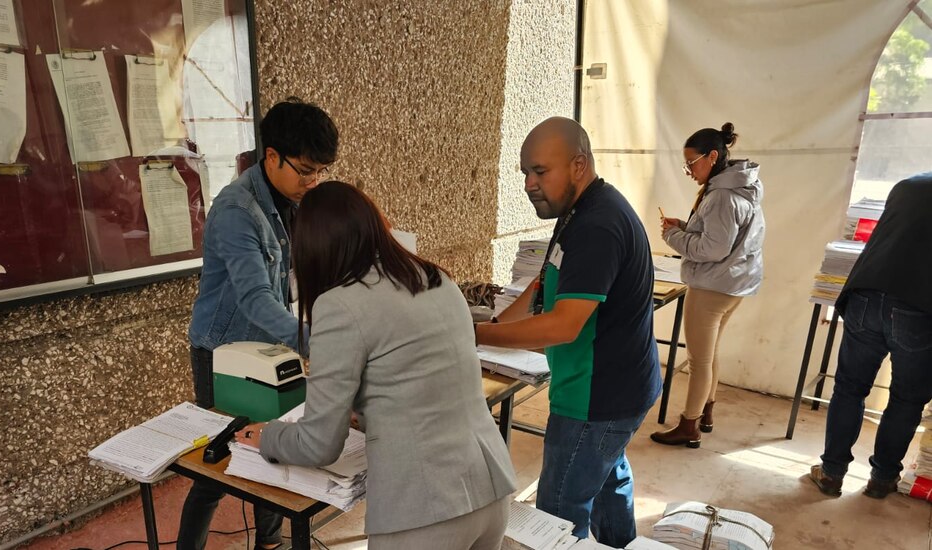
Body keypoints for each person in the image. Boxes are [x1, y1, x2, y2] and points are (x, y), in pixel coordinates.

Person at [234, 181, 517, 550]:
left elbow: (318, 445)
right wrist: (370, 412)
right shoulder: (435, 278)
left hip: (425, 509)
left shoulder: (339, 304)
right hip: (489, 489)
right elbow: (420, 381)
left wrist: (267, 436)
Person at [474, 117, 660, 547]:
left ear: (578, 165)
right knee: (607, 481)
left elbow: (562, 325)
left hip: (596, 398)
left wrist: (475, 337)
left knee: (558, 512)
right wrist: (492, 326)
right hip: (617, 388)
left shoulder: (598, 225)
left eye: (540, 171)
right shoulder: (576, 211)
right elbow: (541, 289)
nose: (528, 184)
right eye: (524, 172)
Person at [180, 99, 338, 550]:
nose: (314, 182)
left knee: (271, 443)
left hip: (274, 343)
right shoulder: (237, 211)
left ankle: (269, 543)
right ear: (272, 157)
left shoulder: (292, 199)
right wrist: (313, 341)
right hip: (225, 352)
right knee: (214, 464)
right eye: (306, 170)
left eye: (321, 171)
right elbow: (254, 298)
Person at [809, 173, 932, 499]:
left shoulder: (909, 184)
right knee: (906, 399)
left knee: (849, 389)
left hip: (866, 294)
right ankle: (882, 479)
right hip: (918, 307)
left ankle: (832, 473)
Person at [650, 123, 765, 448]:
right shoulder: (744, 186)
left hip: (712, 286)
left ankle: (689, 425)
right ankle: (705, 413)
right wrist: (687, 226)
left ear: (712, 156)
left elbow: (712, 249)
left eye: (691, 163)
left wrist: (673, 236)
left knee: (699, 360)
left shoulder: (721, 196)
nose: (688, 171)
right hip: (734, 284)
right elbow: (723, 237)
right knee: (710, 353)